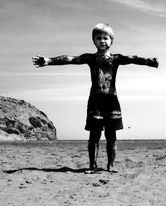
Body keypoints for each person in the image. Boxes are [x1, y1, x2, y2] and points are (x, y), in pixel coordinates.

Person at [32, 23, 158, 173]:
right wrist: (48, 61)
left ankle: (110, 165)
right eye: (99, 38)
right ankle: (93, 166)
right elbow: (70, 59)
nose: (102, 41)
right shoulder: (90, 58)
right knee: (94, 136)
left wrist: (148, 61)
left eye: (106, 38)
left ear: (112, 40)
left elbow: (132, 58)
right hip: (95, 102)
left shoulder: (116, 59)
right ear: (94, 40)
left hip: (112, 101)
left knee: (111, 136)